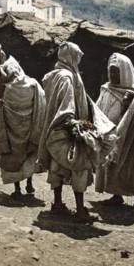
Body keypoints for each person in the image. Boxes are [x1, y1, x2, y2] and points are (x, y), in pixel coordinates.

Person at [37, 42, 116, 223]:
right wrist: (75, 123)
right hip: (68, 128)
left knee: (58, 166)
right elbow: (66, 105)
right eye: (77, 57)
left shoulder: (56, 75)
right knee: (79, 165)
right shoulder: (66, 77)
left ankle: (57, 204)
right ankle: (80, 210)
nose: (79, 61)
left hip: (55, 128)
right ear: (71, 57)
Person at [0, 57, 46, 198]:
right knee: (28, 155)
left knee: (13, 158)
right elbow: (42, 101)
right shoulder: (33, 84)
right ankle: (29, 183)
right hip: (30, 129)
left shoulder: (10, 89)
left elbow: (6, 108)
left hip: (13, 132)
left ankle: (17, 189)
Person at [95, 53, 134, 210]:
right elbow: (97, 108)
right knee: (111, 163)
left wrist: (126, 105)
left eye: (117, 71)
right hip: (109, 133)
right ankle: (116, 195)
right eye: (111, 71)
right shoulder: (106, 89)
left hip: (128, 133)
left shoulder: (131, 94)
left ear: (125, 73)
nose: (113, 75)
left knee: (132, 163)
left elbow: (133, 113)